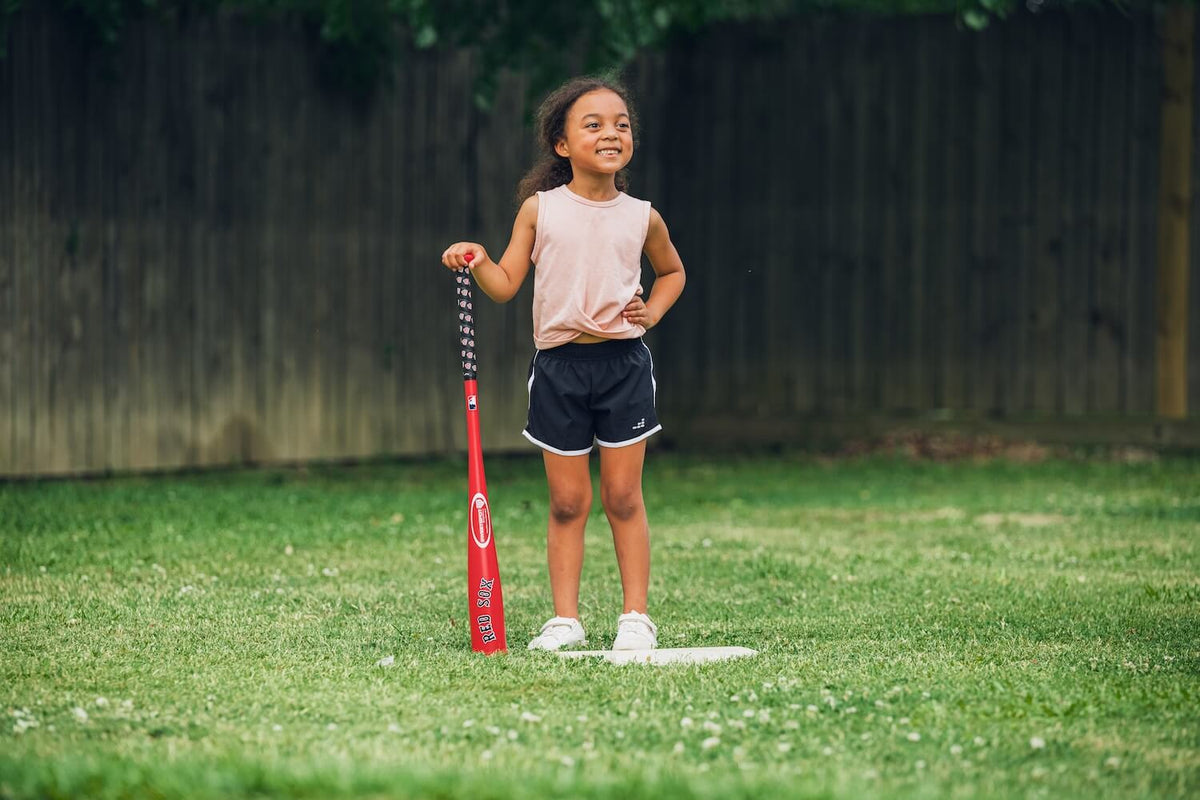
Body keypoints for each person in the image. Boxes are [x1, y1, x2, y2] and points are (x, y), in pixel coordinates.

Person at [441, 76, 685, 652]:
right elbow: (503, 286)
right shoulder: (540, 210)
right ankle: (565, 620)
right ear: (562, 144)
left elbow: (672, 273)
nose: (611, 133)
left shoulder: (642, 216)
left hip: (623, 365)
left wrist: (650, 311)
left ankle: (635, 617)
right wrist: (475, 258)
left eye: (621, 124)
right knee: (567, 501)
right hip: (558, 369)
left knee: (623, 498)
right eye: (594, 124)